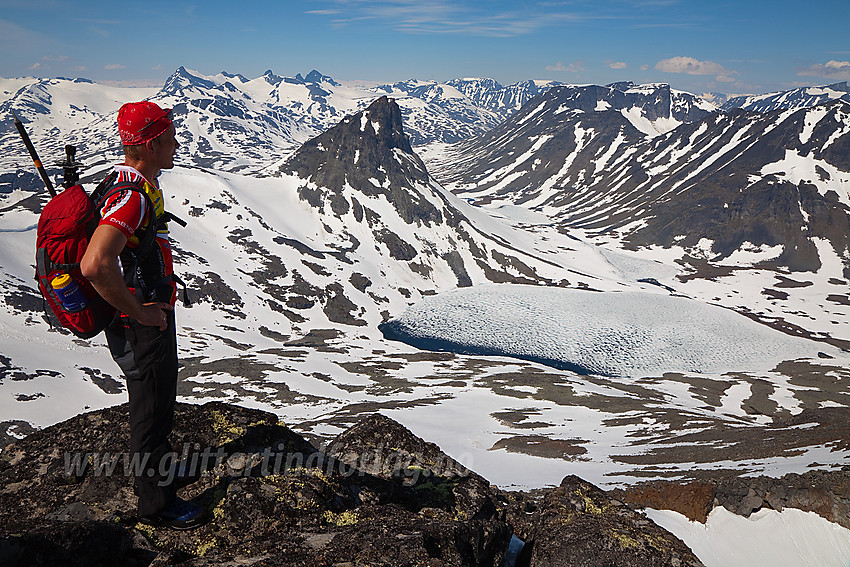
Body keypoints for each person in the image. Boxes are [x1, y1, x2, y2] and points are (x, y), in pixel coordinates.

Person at [80, 100, 208, 530]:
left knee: (156, 402)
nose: (176, 142)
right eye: (169, 136)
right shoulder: (132, 198)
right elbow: (95, 264)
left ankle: (161, 475)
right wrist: (139, 311)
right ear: (151, 144)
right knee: (151, 407)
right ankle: (157, 505)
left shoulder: (126, 181)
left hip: (140, 315)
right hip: (140, 322)